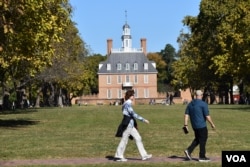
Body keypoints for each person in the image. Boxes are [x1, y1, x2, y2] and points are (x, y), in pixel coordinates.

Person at [114, 89, 152, 162]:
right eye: (132, 95)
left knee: (138, 138)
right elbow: (133, 114)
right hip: (128, 125)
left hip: (130, 125)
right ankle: (119, 156)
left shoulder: (127, 103)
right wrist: (143, 120)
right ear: (129, 96)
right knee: (124, 140)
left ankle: (144, 155)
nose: (133, 96)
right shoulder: (127, 104)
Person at [183, 90, 215, 162]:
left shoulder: (190, 104)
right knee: (203, 139)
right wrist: (212, 124)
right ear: (201, 95)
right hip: (201, 125)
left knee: (198, 139)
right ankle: (202, 157)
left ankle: (188, 150)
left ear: (195, 95)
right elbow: (207, 116)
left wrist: (186, 124)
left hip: (194, 126)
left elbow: (186, 115)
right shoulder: (203, 104)